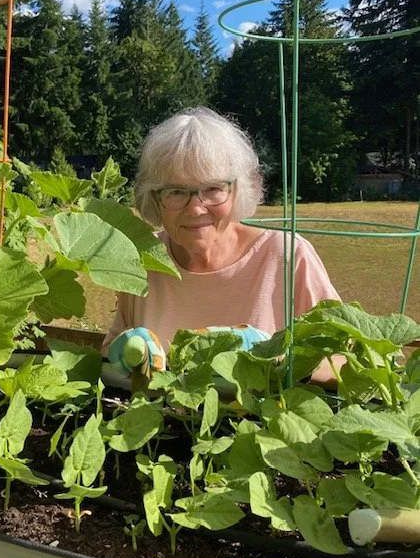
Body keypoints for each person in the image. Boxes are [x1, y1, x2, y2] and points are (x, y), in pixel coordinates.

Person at [102, 106, 342, 384]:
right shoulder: (142, 259)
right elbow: (111, 354)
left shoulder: (287, 256)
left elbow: (343, 359)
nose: (196, 208)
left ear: (238, 190)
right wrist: (126, 352)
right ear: (155, 198)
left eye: (213, 189)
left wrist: (277, 363)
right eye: (176, 191)